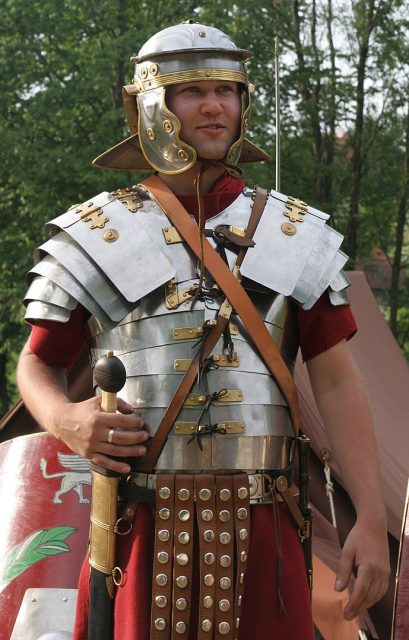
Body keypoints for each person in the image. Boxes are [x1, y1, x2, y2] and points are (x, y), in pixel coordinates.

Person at [17, 20, 390, 640]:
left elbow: (338, 382)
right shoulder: (95, 234)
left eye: (227, 89)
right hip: (140, 523)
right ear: (152, 106)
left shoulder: (294, 234)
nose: (215, 105)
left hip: (266, 519)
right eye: (192, 91)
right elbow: (37, 364)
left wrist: (371, 518)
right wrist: (66, 420)